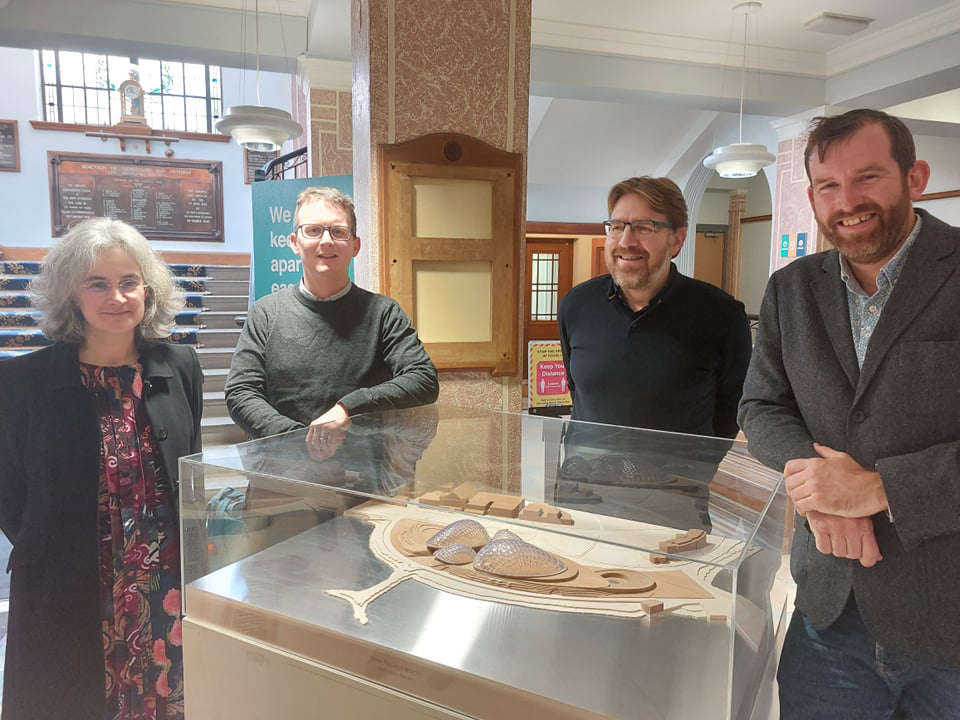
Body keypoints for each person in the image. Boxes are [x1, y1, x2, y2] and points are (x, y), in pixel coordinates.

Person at [738, 108, 960, 718]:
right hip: (830, 614)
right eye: (829, 186)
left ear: (915, 176)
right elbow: (761, 405)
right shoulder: (792, 288)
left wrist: (883, 489)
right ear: (810, 194)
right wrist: (818, 481)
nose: (847, 201)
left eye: (867, 178)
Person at [0, 217, 203, 720]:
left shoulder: (180, 365)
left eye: (129, 282)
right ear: (72, 294)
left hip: (162, 579)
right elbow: (8, 487)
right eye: (98, 283)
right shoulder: (21, 380)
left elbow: (189, 462)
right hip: (66, 580)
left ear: (148, 289)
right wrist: (46, 539)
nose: (117, 297)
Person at [225, 186, 439, 443]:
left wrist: (348, 407)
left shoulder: (384, 313)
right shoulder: (265, 314)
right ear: (294, 243)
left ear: (355, 246)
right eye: (313, 230)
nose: (326, 241)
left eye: (338, 232)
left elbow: (424, 379)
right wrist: (298, 440)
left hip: (361, 474)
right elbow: (241, 392)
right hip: (281, 469)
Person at [558, 175, 752, 438]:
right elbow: (577, 389)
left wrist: (694, 468)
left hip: (675, 479)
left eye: (644, 227)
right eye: (616, 227)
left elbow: (731, 411)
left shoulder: (722, 315)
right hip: (584, 475)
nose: (626, 241)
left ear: (677, 239)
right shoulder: (577, 305)